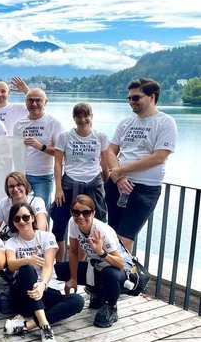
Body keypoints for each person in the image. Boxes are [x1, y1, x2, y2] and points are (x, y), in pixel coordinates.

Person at [105, 78, 177, 252]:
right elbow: (110, 151)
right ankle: (110, 276)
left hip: (144, 189)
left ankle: (123, 276)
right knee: (111, 234)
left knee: (124, 237)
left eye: (136, 98)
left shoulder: (165, 122)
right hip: (117, 185)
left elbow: (159, 157)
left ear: (151, 97)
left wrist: (121, 170)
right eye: (129, 98)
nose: (131, 102)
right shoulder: (126, 122)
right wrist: (119, 176)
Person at [3, 202, 84, 342]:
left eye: (26, 217)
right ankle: (46, 328)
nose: (22, 221)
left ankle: (29, 325)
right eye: (17, 219)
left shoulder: (46, 237)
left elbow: (48, 265)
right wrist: (28, 260)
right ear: (13, 222)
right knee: (27, 269)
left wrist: (42, 285)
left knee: (77, 301)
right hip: (23, 292)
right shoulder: (11, 242)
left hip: (46, 289)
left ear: (33, 218)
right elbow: (11, 264)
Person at [54, 195, 132, 328]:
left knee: (109, 273)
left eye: (86, 213)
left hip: (120, 270)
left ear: (93, 213)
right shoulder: (73, 223)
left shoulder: (102, 231)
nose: (81, 217)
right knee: (58, 269)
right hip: (96, 265)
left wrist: (101, 252)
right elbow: (73, 251)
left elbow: (120, 263)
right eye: (76, 212)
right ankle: (98, 291)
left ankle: (111, 307)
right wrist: (73, 278)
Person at [51, 103, 109, 260]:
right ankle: (59, 264)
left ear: (91, 116)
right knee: (59, 224)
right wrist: (58, 188)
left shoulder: (100, 136)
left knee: (90, 226)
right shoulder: (65, 136)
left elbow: (104, 163)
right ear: (74, 118)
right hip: (69, 183)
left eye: (86, 116)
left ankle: (81, 264)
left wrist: (106, 185)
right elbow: (57, 163)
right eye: (79, 116)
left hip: (93, 183)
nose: (82, 120)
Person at [13, 88, 64, 204]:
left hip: (43, 176)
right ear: (25, 102)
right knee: (22, 210)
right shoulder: (19, 124)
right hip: (23, 176)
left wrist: (41, 146)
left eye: (38, 100)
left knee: (41, 211)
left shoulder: (54, 123)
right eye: (30, 100)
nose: (34, 104)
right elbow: (15, 151)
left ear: (45, 102)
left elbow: (61, 153)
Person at [0, 172, 48, 239]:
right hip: (11, 241)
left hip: (33, 240)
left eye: (18, 185)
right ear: (7, 189)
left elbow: (41, 228)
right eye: (11, 186)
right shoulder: (3, 203)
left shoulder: (37, 202)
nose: (15, 189)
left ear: (25, 185)